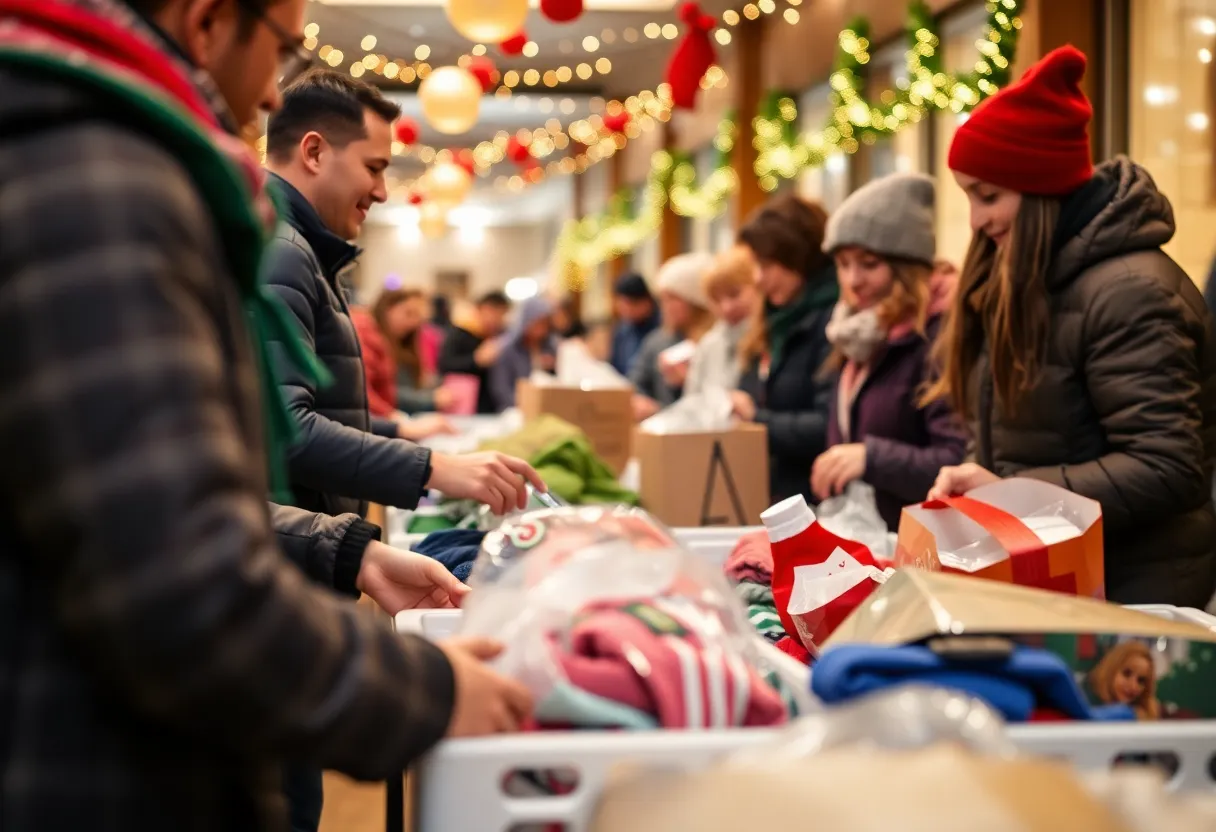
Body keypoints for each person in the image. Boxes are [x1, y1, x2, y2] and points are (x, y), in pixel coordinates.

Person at [0, 1, 532, 830]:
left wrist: (350, 551)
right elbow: (178, 582)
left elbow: (144, 495)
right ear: (209, 22)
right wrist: (428, 690)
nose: (271, 96)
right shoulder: (102, 180)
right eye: (281, 46)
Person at [263, 69, 545, 828]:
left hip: (302, 562)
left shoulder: (303, 254)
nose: (383, 191)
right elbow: (290, 427)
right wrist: (432, 468)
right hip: (283, 579)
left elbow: (319, 409)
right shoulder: (286, 253)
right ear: (316, 152)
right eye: (377, 167)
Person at [925, 46, 1216, 607]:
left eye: (988, 196)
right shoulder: (1033, 280)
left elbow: (1168, 467)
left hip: (1136, 591)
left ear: (1041, 191)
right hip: (1065, 580)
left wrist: (1016, 494)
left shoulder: (1130, 292)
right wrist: (979, 473)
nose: (976, 221)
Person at [808, 173, 966, 530]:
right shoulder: (857, 332)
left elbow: (957, 459)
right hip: (869, 540)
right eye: (843, 264)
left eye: (869, 264)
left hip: (924, 546)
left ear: (906, 266)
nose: (853, 281)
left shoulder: (938, 335)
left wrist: (871, 457)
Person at [732, 195, 839, 503]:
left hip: (815, 505)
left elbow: (828, 424)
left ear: (798, 256)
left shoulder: (833, 323)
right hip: (771, 497)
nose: (758, 279)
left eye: (766, 266)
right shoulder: (770, 320)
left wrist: (757, 419)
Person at [631, 252, 716, 419]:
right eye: (662, 299)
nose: (665, 306)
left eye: (673, 298)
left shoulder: (713, 343)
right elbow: (637, 383)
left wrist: (688, 383)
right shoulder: (656, 342)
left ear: (694, 301)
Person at [352, 288, 455, 416]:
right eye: (408, 313)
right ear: (388, 308)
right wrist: (429, 399)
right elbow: (371, 392)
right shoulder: (367, 333)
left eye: (418, 317)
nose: (413, 322)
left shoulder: (404, 343)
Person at [685, 245, 759, 397]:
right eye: (716, 300)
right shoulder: (708, 345)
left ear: (757, 286)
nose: (726, 307)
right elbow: (692, 401)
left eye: (734, 294)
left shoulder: (767, 339)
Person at [438, 290, 512, 414]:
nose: (495, 319)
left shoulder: (502, 336)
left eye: (501, 314)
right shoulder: (461, 332)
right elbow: (445, 364)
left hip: (493, 405)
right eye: (492, 312)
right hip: (464, 403)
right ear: (479, 309)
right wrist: (476, 360)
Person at [489, 296, 558, 411]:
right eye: (537, 323)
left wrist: (552, 367)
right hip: (514, 409)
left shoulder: (550, 348)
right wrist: (523, 405)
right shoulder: (508, 350)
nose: (541, 329)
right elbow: (501, 389)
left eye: (545, 323)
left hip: (546, 409)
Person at [1088, 641, 1160, 720]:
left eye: (1141, 680)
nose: (1133, 686)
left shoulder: (1144, 714)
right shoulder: (1085, 703)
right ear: (1111, 670)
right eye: (1127, 674)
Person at [609, 272, 660, 376]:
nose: (623, 310)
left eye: (627, 304)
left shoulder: (662, 329)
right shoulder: (622, 331)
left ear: (645, 302)